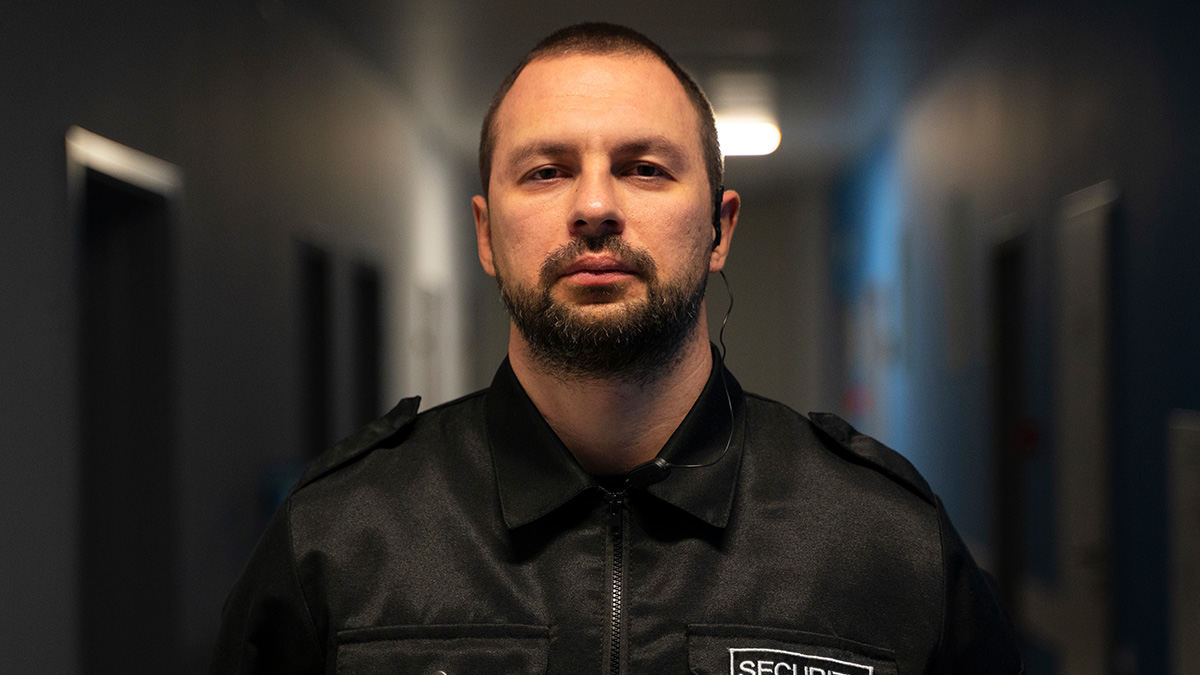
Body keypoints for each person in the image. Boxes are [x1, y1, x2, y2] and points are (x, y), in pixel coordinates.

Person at [211, 23, 1022, 675]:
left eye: (642, 168)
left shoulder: (883, 541)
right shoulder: (340, 538)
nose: (595, 206)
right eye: (546, 172)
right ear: (487, 234)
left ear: (719, 228)